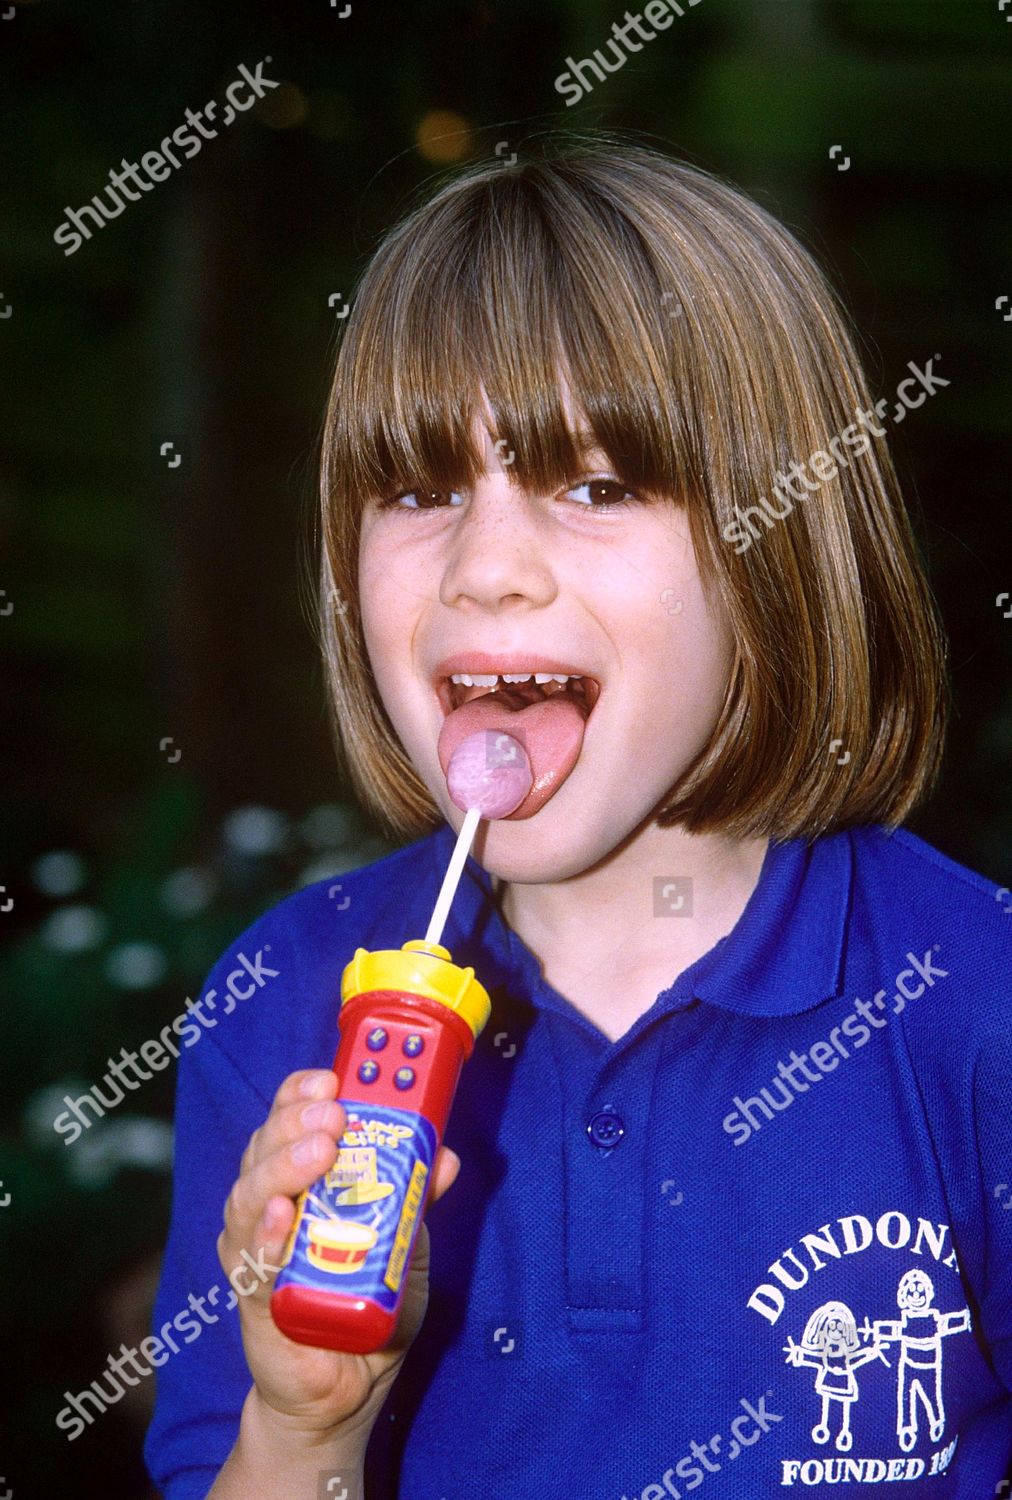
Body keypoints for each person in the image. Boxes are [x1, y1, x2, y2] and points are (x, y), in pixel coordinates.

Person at [144, 134, 1012, 1498]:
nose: (486, 568)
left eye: (598, 483)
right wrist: (306, 1427)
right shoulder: (282, 1002)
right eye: (420, 489)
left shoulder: (975, 1008)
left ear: (777, 546)